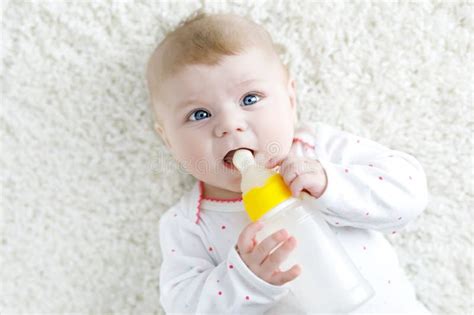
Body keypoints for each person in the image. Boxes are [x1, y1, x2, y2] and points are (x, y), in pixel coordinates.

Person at [146, 10, 431, 314]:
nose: (230, 125)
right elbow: (184, 306)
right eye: (199, 114)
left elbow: (410, 192)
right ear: (169, 142)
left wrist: (330, 184)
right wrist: (245, 278)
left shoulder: (318, 150)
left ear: (291, 99)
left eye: (250, 98)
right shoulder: (190, 224)